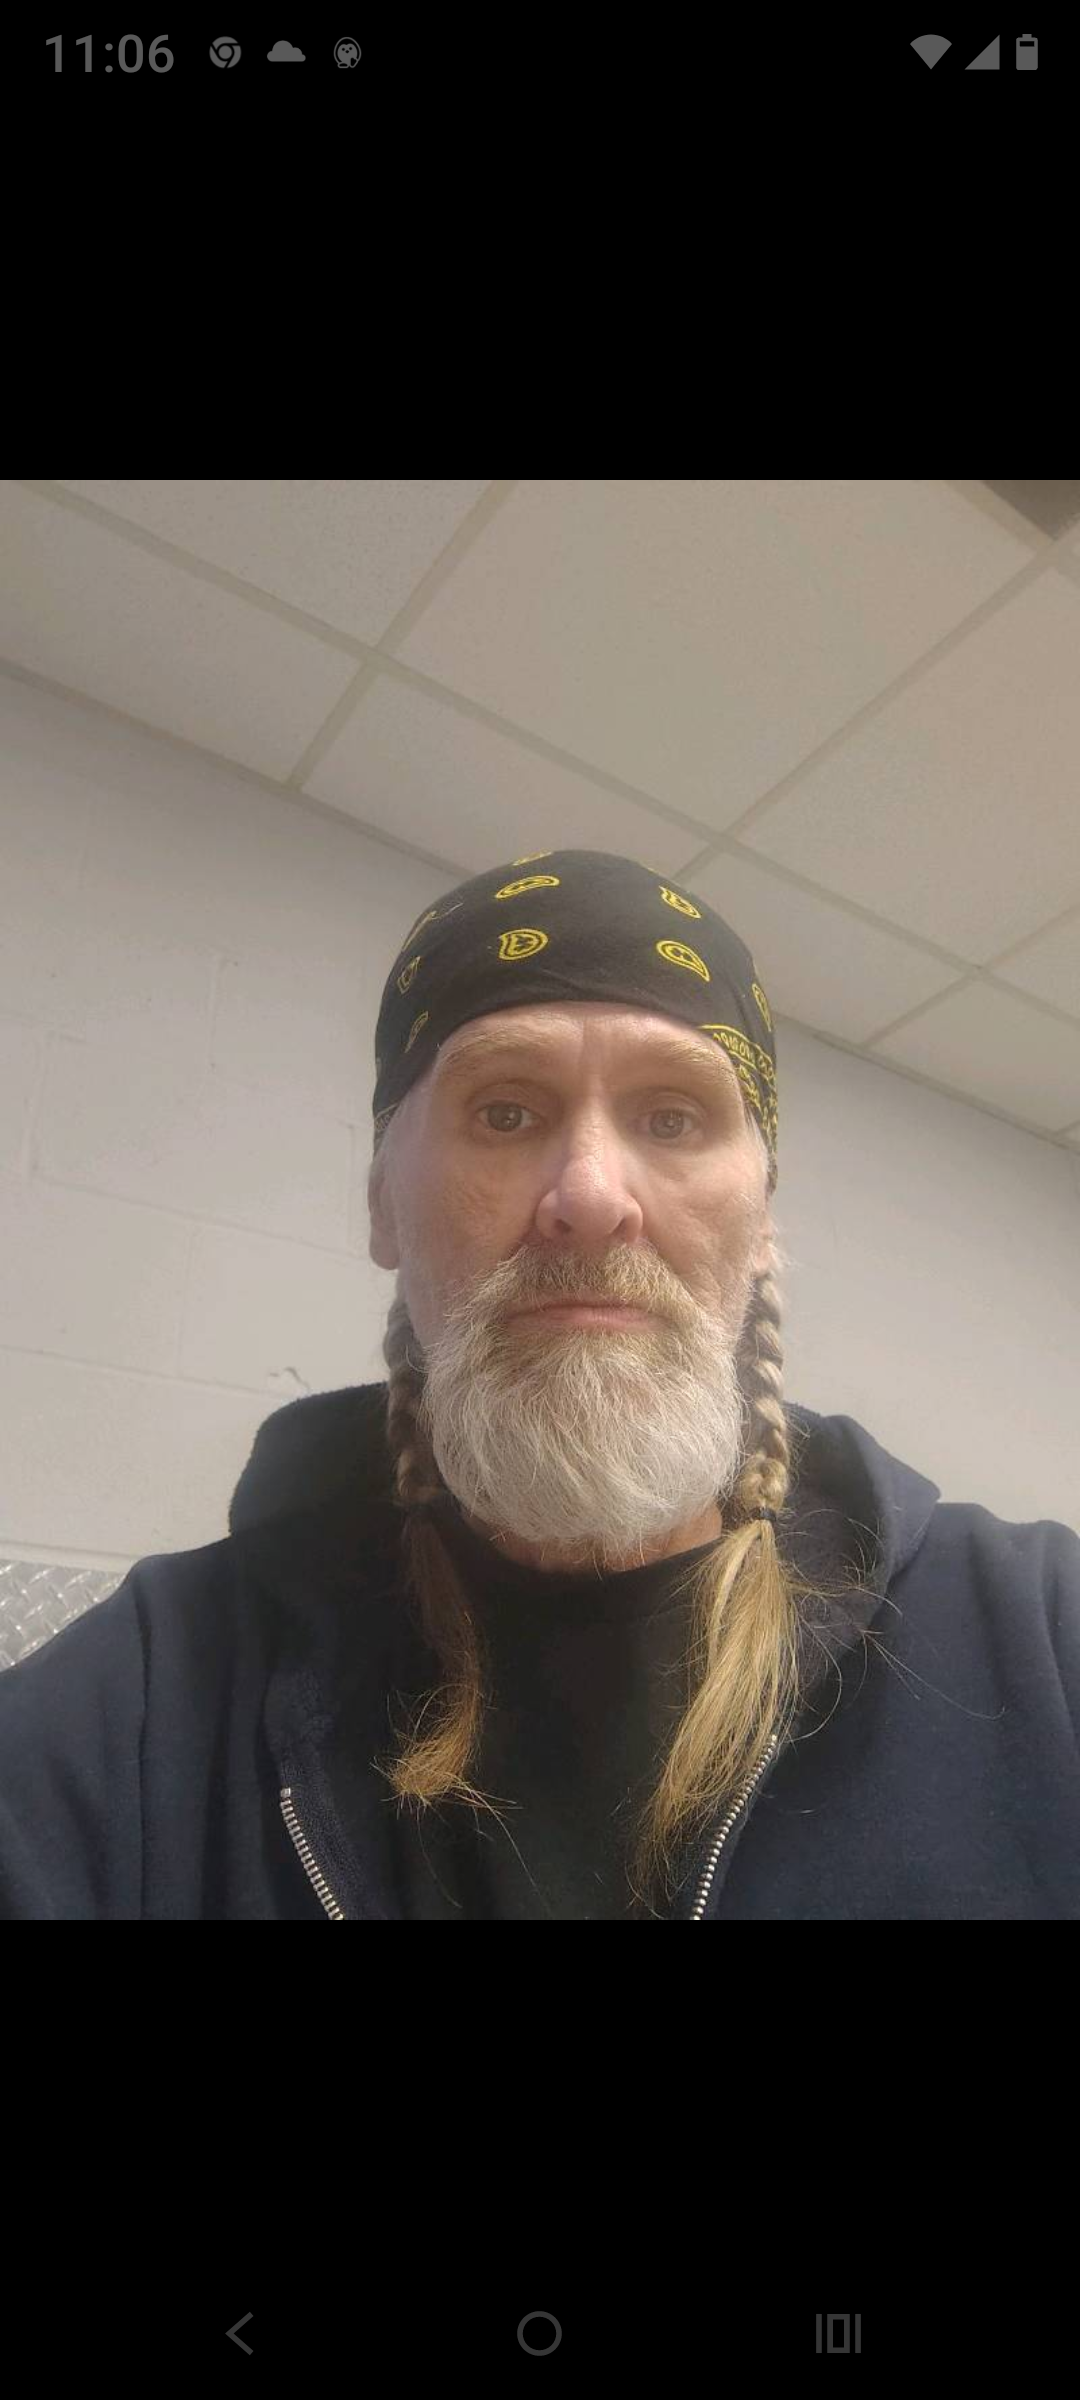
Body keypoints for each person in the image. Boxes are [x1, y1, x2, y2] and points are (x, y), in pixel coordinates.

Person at [1, 847, 1077, 1918]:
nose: (592, 1197)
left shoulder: (1042, 1642)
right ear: (382, 1205)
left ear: (760, 1224)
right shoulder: (145, 1709)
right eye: (506, 1113)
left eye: (673, 1118)